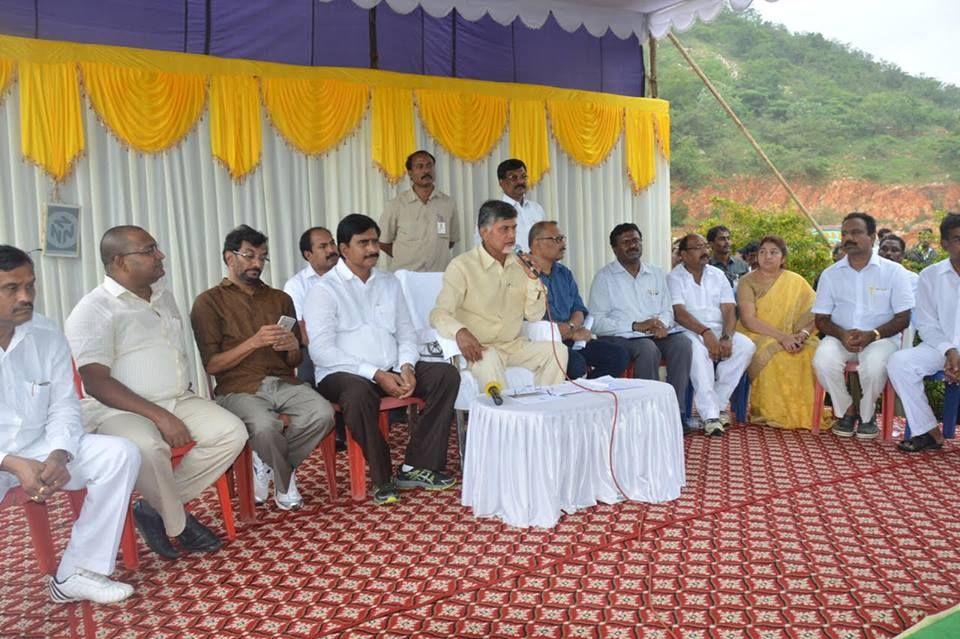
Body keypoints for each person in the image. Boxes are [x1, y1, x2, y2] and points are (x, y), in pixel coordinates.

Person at [66, 226, 246, 560]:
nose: (160, 255)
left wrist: (173, 406)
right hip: (118, 410)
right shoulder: (94, 309)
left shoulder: (162, 293)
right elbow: (96, 382)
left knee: (232, 432)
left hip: (178, 398)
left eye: (156, 247)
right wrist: (159, 416)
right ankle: (179, 523)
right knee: (148, 447)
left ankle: (153, 509)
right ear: (120, 261)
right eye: (149, 251)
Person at [1, 245, 140, 603]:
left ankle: (76, 572)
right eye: (11, 289)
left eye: (30, 286)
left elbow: (64, 404)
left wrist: (59, 454)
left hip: (40, 447)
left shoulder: (44, 332)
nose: (25, 297)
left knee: (119, 454)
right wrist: (14, 463)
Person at [306, 214, 460, 505]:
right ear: (343, 249)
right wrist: (375, 374)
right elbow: (321, 351)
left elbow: (406, 333)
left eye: (375, 241)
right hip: (342, 373)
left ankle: (417, 466)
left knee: (445, 375)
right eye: (363, 242)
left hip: (391, 366)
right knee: (358, 393)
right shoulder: (324, 290)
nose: (373, 248)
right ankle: (382, 477)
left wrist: (407, 367)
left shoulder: (389, 283)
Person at [191, 225, 335, 511]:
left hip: (283, 383)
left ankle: (267, 460)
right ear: (229, 258)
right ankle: (285, 478)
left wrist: (292, 348)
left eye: (262, 257)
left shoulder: (281, 299)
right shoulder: (208, 303)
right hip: (238, 388)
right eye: (249, 255)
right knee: (266, 427)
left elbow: (295, 361)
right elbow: (212, 364)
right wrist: (254, 342)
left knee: (323, 414)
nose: (257, 263)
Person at [430, 200, 566, 391]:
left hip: (513, 346)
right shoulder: (462, 266)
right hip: (481, 348)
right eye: (504, 229)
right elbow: (439, 314)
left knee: (557, 350)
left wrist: (534, 280)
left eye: (514, 228)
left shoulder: (521, 264)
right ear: (484, 232)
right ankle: (502, 419)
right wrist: (460, 332)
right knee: (490, 357)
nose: (512, 235)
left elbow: (534, 315)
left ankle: (544, 411)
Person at [812, 212, 914, 439]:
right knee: (822, 360)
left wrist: (873, 334)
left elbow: (903, 317)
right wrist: (842, 333)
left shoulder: (894, 272)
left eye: (856, 232)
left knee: (876, 364)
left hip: (881, 338)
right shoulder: (830, 275)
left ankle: (867, 415)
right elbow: (821, 319)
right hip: (841, 337)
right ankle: (847, 410)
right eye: (845, 233)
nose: (848, 238)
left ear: (872, 236)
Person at [589, 223, 692, 414]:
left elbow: (667, 309)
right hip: (621, 337)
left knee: (683, 343)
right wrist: (635, 326)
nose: (632, 245)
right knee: (647, 348)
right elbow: (596, 321)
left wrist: (662, 323)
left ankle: (675, 413)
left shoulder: (656, 273)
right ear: (614, 248)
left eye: (636, 240)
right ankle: (648, 413)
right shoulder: (604, 278)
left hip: (656, 333)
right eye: (626, 242)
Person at [668, 233, 756, 436]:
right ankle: (711, 416)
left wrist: (726, 337)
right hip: (687, 330)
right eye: (697, 247)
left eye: (705, 246)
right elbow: (679, 313)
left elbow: (728, 309)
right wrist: (705, 333)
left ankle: (717, 403)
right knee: (698, 353)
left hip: (717, 329)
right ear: (684, 254)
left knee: (746, 346)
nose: (705, 251)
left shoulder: (717, 275)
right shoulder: (674, 277)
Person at [888, 213, 960, 452]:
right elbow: (926, 324)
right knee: (900, 362)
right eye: (958, 239)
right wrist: (949, 351)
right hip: (940, 347)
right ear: (945, 244)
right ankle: (929, 431)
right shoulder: (930, 276)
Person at [736, 235, 819, 429]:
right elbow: (749, 320)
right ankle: (771, 411)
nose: (767, 256)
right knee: (776, 356)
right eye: (763, 252)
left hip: (792, 335)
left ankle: (803, 412)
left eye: (774, 252)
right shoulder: (747, 282)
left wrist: (802, 335)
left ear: (783, 258)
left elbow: (814, 313)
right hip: (755, 333)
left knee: (808, 353)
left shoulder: (796, 281)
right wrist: (782, 337)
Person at [528, 221, 629, 379]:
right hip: (544, 342)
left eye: (562, 238)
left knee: (618, 355)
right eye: (556, 239)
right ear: (536, 243)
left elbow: (578, 309)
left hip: (571, 337)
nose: (563, 244)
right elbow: (530, 323)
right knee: (576, 363)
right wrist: (570, 333)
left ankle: (589, 395)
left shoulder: (564, 273)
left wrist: (572, 328)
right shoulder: (524, 274)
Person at [380, 150, 459, 272]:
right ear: (410, 173)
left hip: (438, 275)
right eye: (420, 166)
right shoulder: (395, 205)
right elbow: (383, 242)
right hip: (407, 277)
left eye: (429, 166)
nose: (426, 171)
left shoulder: (448, 203)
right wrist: (403, 256)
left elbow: (451, 241)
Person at [283, 226, 339, 388]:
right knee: (307, 364)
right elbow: (301, 330)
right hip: (315, 346)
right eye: (323, 246)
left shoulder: (350, 277)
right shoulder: (296, 285)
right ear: (308, 255)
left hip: (352, 340)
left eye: (332, 243)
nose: (331, 250)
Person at [496, 159, 545, 252]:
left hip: (538, 265)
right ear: (501, 182)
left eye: (523, 177)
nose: (520, 182)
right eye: (513, 178)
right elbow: (486, 249)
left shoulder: (536, 209)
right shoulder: (494, 212)